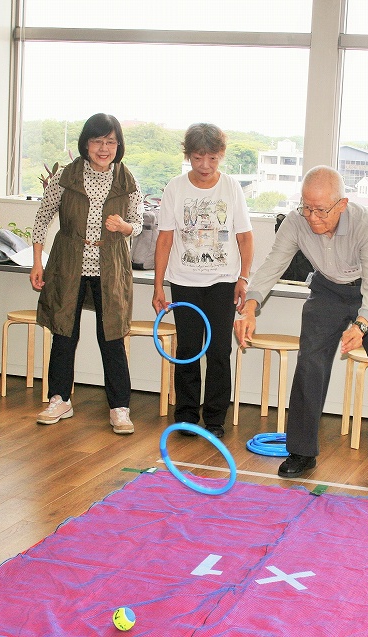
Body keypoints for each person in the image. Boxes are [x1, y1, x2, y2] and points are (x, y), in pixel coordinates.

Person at [234, 165, 368, 492]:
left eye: (321, 210)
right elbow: (273, 265)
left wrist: (362, 322)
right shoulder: (296, 221)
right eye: (306, 207)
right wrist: (250, 307)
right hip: (327, 289)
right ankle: (301, 451)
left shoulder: (363, 222)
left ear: (341, 204)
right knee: (310, 364)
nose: (312, 217)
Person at [30, 113, 143, 434]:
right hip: (68, 264)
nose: (104, 148)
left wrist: (124, 226)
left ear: (118, 145)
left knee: (112, 336)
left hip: (110, 267)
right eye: (97, 141)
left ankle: (119, 407)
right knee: (64, 333)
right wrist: (37, 262)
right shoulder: (66, 176)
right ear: (85, 144)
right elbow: (42, 218)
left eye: (110, 142)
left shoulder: (127, 179)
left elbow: (138, 222)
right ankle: (59, 399)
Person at [152, 123, 254, 439]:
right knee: (188, 349)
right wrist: (158, 285)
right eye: (198, 158)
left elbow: (245, 237)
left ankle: (214, 418)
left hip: (223, 281)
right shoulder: (175, 188)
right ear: (188, 156)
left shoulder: (232, 187)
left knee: (219, 351)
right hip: (184, 280)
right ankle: (185, 415)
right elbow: (165, 239)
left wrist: (243, 278)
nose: (205, 165)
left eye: (212, 158)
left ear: (221, 155)